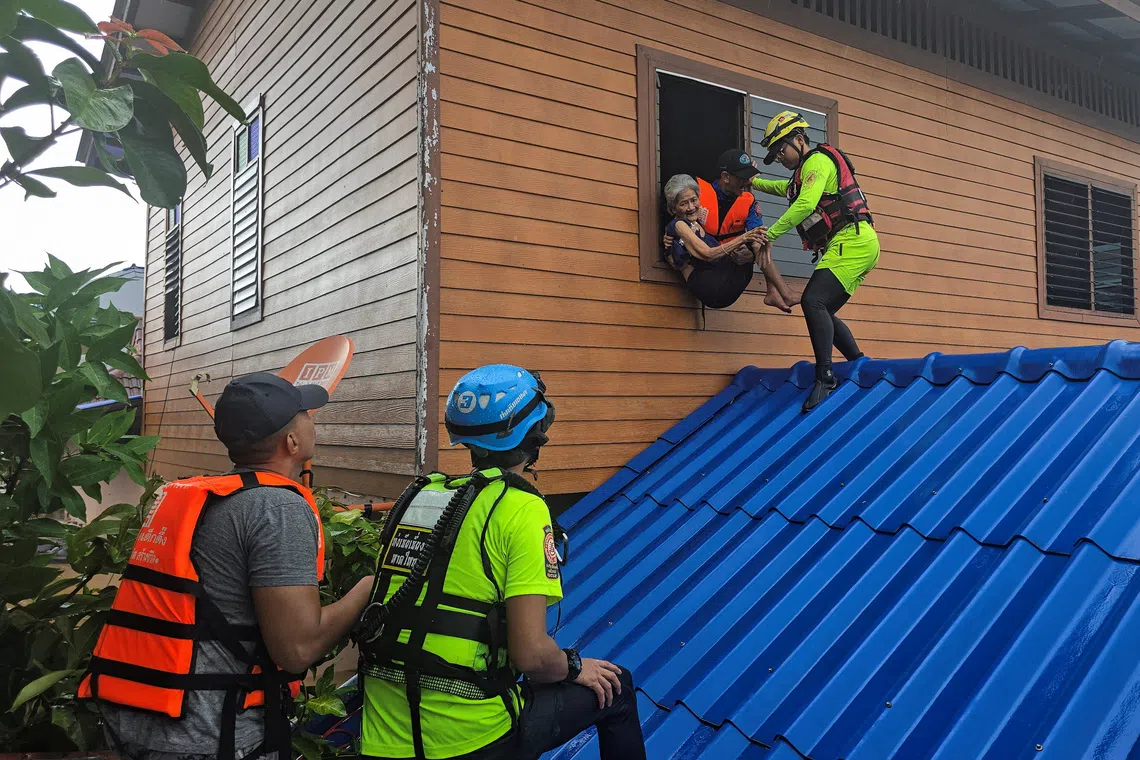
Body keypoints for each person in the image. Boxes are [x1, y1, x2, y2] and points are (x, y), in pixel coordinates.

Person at [79, 372, 375, 760]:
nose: (312, 419)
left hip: (137, 717)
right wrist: (369, 586)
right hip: (207, 734)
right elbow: (297, 648)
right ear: (292, 441)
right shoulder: (276, 508)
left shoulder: (200, 497)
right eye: (305, 413)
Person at [356, 365, 646, 760]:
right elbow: (532, 656)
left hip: (383, 736)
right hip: (469, 737)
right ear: (534, 434)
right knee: (618, 688)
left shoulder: (421, 496)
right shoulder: (521, 507)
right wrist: (577, 667)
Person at [752, 111, 880, 412]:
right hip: (854, 243)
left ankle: (825, 377)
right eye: (774, 154)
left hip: (853, 240)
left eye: (781, 150)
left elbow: (807, 204)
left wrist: (771, 234)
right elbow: (784, 189)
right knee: (823, 310)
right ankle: (858, 364)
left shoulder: (818, 162)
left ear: (799, 139)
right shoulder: (802, 176)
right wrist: (753, 182)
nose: (779, 157)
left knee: (813, 301)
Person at [665, 148, 798, 312]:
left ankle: (775, 291)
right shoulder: (698, 196)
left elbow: (758, 238)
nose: (747, 182)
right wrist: (668, 236)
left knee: (759, 242)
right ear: (726, 177)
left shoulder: (748, 202)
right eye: (742, 177)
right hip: (707, 273)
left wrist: (750, 255)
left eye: (747, 177)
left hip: (731, 266)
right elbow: (684, 225)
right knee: (754, 241)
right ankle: (780, 292)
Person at [662, 173, 766, 309]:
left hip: (720, 281)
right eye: (683, 204)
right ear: (673, 208)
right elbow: (708, 254)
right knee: (751, 242)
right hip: (708, 286)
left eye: (693, 200)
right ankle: (776, 290)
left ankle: (774, 288)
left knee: (757, 244)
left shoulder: (697, 222)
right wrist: (744, 237)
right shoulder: (679, 224)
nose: (691, 207)